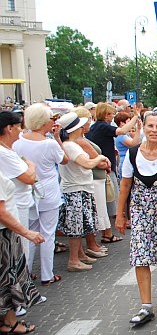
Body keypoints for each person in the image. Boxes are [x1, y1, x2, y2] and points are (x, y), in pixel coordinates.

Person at [115, 112, 157, 325]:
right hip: (140, 211)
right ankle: (146, 306)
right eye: (150, 126)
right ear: (143, 128)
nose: (154, 130)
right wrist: (120, 215)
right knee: (140, 255)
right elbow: (125, 185)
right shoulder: (133, 153)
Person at [14, 104, 68, 285]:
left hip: (28, 192)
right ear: (44, 121)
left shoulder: (18, 142)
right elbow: (64, 159)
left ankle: (26, 273)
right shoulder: (49, 143)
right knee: (47, 234)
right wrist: (57, 138)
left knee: (30, 234)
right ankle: (47, 274)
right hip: (48, 191)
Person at [56, 112, 109, 273]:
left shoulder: (71, 144)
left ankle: (79, 254)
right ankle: (73, 259)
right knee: (76, 226)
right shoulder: (70, 145)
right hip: (75, 189)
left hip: (80, 187)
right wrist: (99, 158)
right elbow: (86, 163)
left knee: (82, 224)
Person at [85, 102, 140, 244]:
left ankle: (106, 232)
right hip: (105, 169)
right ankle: (107, 233)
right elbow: (122, 131)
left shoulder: (94, 127)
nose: (112, 117)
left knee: (107, 200)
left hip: (103, 168)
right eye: (110, 114)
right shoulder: (102, 126)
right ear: (105, 114)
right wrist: (135, 117)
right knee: (109, 200)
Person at [0, 169, 45, 335]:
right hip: (4, 233)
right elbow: (2, 211)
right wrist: (27, 233)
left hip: (6, 232)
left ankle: (8, 321)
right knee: (8, 278)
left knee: (7, 277)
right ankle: (10, 323)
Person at [0, 112, 36, 259]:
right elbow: (28, 178)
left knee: (21, 248)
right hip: (15, 205)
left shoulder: (8, 150)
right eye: (19, 126)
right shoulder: (3, 153)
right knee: (20, 250)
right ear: (9, 128)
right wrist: (32, 166)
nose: (21, 130)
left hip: (19, 202)